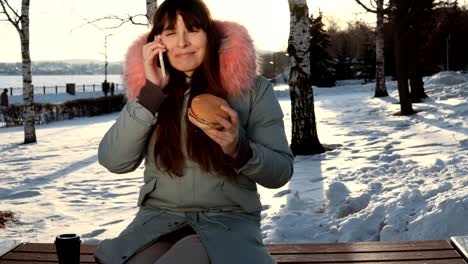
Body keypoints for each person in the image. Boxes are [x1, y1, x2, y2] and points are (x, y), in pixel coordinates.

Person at [94, 0, 294, 263]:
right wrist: (151, 94)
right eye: (170, 33)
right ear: (157, 42)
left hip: (227, 222)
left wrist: (239, 148)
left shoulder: (252, 90)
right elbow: (113, 161)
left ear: (209, 35)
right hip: (158, 221)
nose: (182, 42)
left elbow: (280, 172)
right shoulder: (151, 93)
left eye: (192, 29)